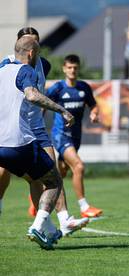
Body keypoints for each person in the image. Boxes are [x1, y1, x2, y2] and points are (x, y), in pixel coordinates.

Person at [0, 27, 89, 237]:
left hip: (35, 128)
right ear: (27, 48)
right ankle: (39, 224)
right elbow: (31, 94)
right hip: (18, 132)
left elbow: (36, 94)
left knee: (44, 174)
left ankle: (60, 220)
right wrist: (62, 111)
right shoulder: (10, 65)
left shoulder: (42, 65)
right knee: (47, 178)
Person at [46, 54, 102, 218]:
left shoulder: (84, 87)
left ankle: (37, 196)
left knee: (61, 174)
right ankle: (84, 206)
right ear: (64, 68)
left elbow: (93, 105)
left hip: (76, 136)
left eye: (75, 67)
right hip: (60, 134)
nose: (72, 70)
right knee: (78, 166)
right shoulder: (57, 88)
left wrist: (94, 113)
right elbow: (42, 102)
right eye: (69, 67)